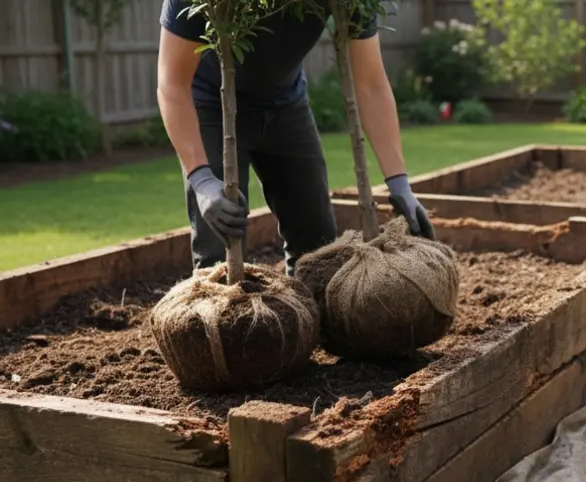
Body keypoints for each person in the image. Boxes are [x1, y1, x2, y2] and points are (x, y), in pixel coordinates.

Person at [156, 0, 434, 276]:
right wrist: (202, 180)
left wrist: (399, 184)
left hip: (285, 104)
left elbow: (371, 84)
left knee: (318, 249)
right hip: (209, 106)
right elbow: (172, 83)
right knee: (218, 252)